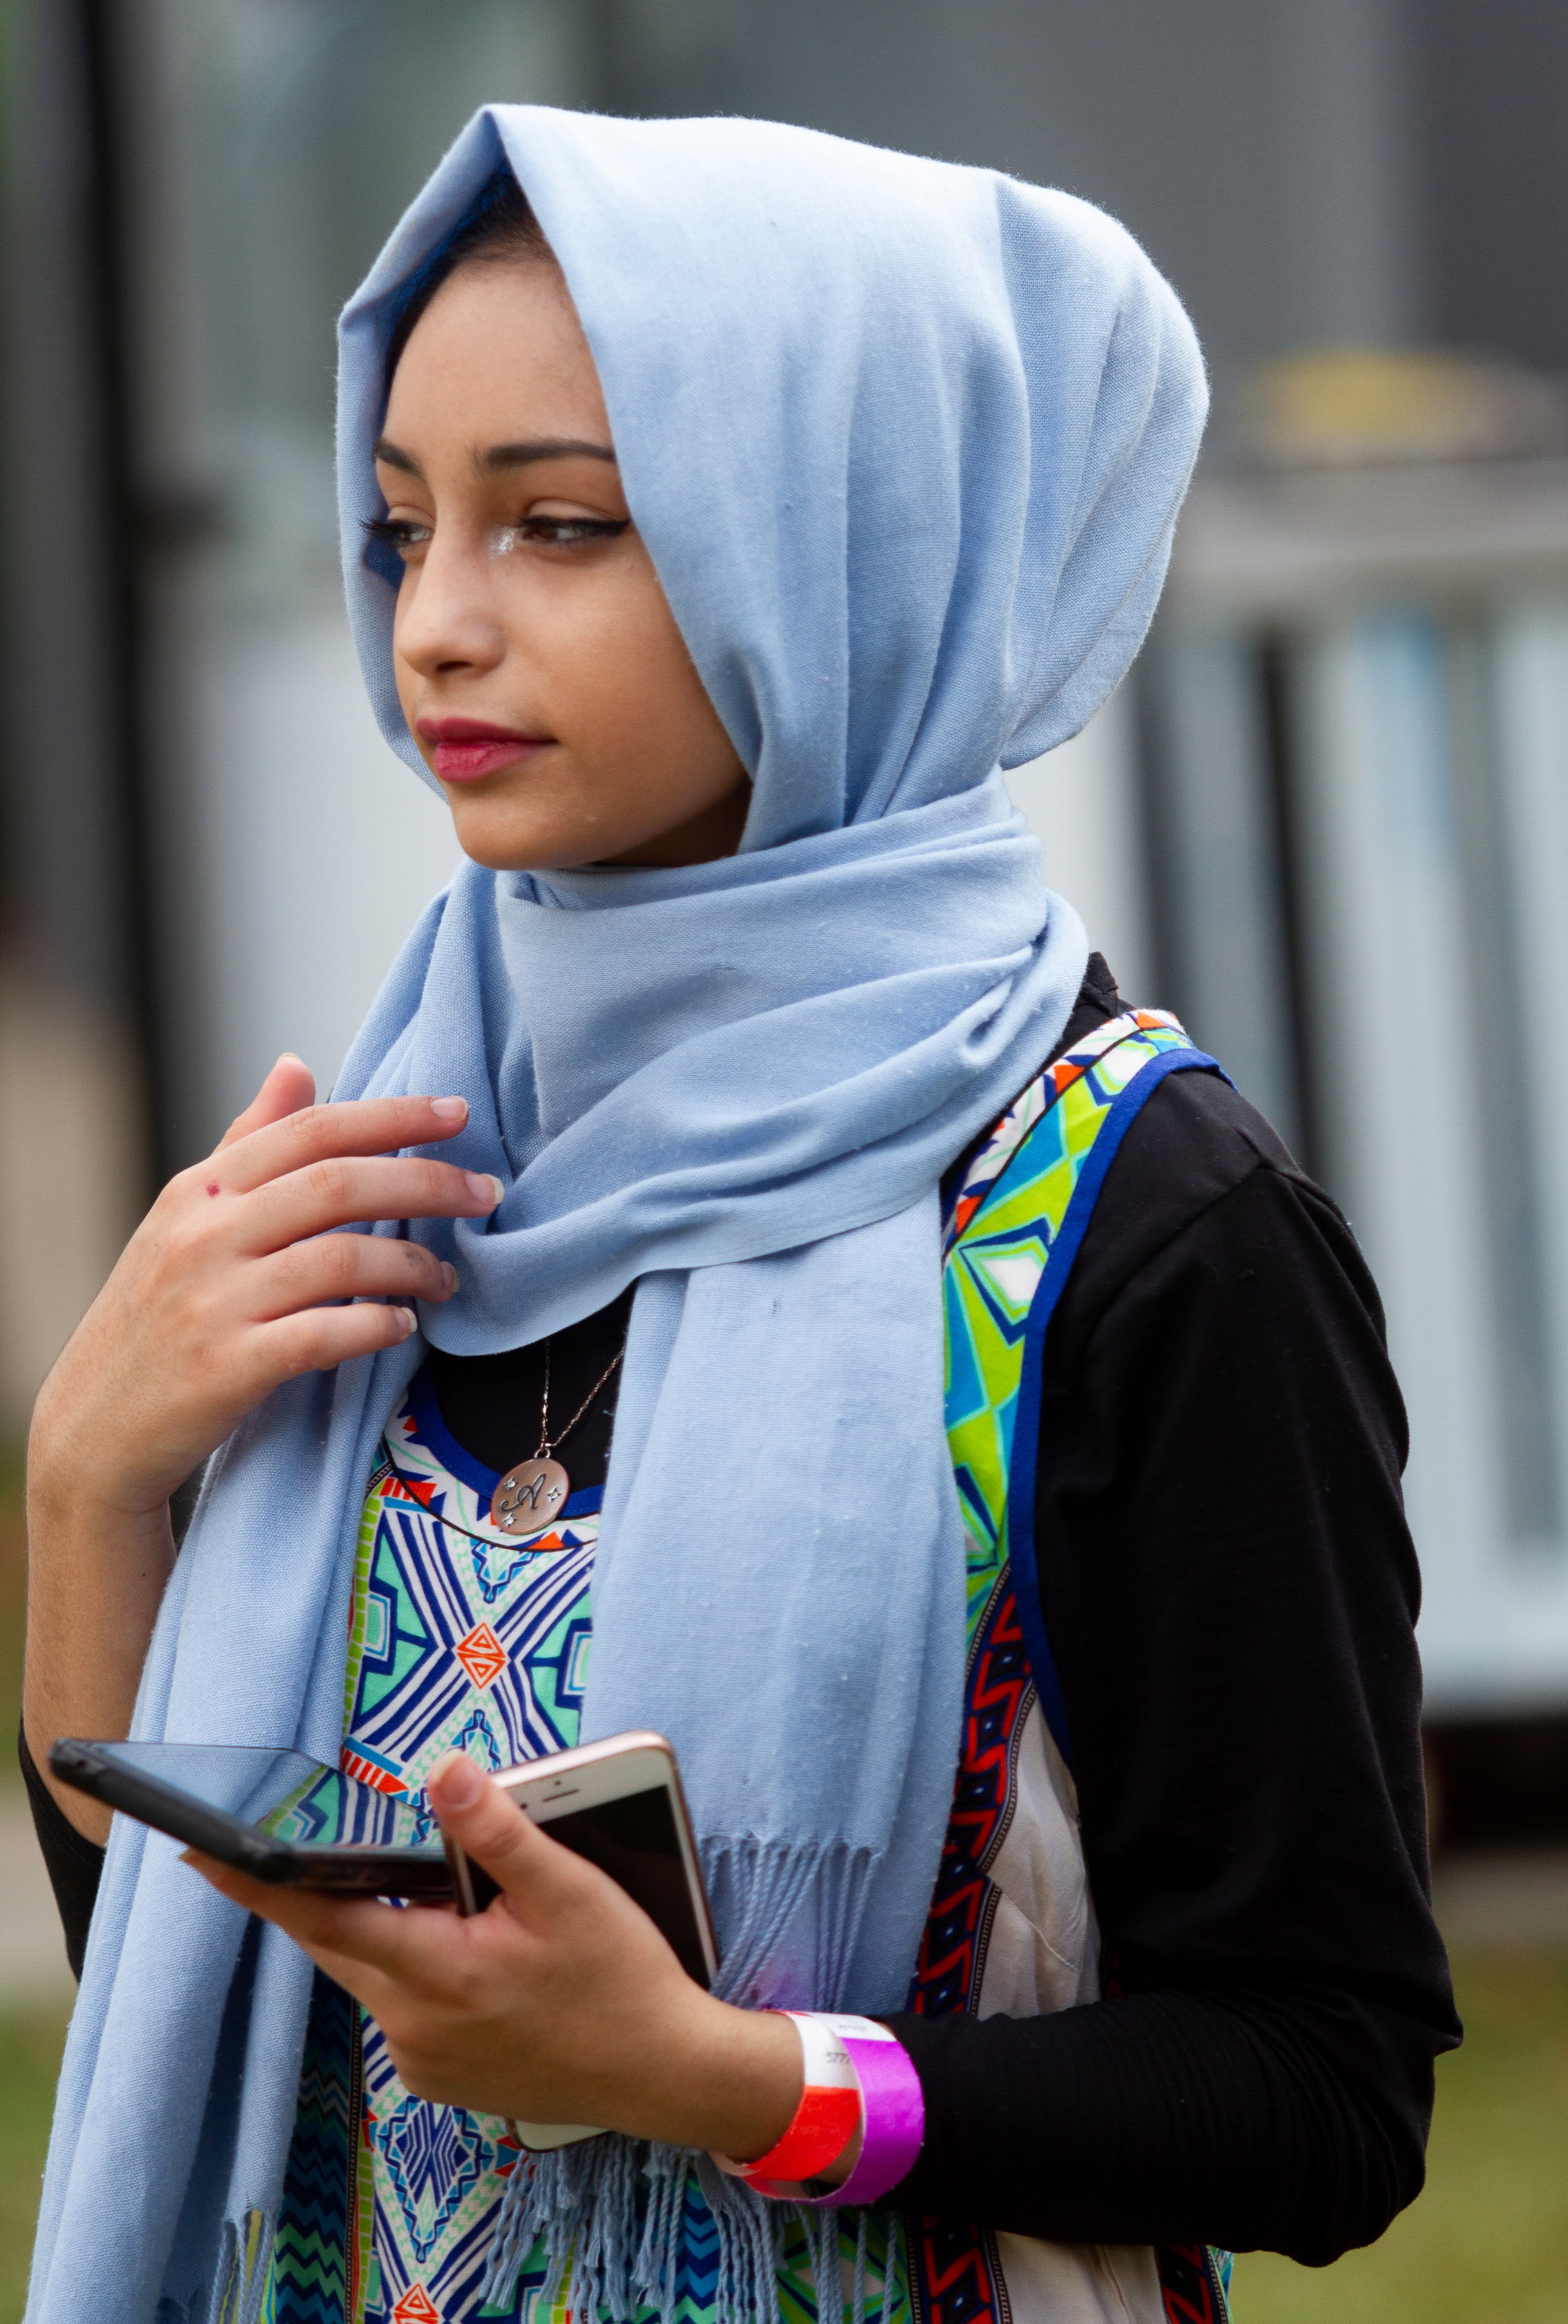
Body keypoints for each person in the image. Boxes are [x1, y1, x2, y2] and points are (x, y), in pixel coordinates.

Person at [22, 106, 1458, 2324]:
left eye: (562, 524)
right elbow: (196, 1998)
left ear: (842, 549)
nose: (436, 625)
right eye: (402, 525)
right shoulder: (401, 1160)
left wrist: (724, 2080)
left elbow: (1324, 2090)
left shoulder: (1142, 1224)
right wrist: (89, 1488)